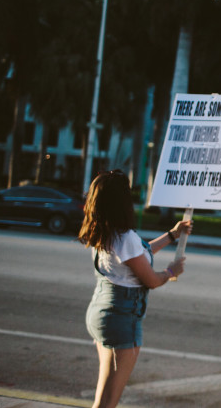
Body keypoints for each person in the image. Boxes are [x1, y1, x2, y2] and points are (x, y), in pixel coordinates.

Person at [79, 169, 192, 408]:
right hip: (121, 321)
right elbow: (150, 280)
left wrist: (172, 234)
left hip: (100, 314)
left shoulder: (103, 232)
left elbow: (138, 254)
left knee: (103, 399)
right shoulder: (125, 237)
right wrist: (171, 272)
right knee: (109, 402)